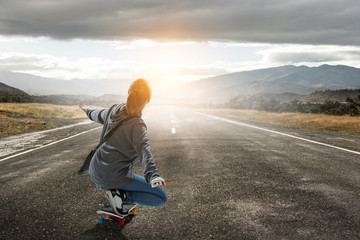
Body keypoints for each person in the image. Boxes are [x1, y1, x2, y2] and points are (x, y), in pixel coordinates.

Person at [79, 78, 168, 214]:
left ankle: (117, 192)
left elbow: (95, 114)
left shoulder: (114, 110)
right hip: (111, 177)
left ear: (129, 93)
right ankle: (122, 196)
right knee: (160, 197)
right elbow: (144, 151)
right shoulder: (137, 125)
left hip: (95, 172)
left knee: (128, 163)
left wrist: (86, 109)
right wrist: (153, 176)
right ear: (148, 99)